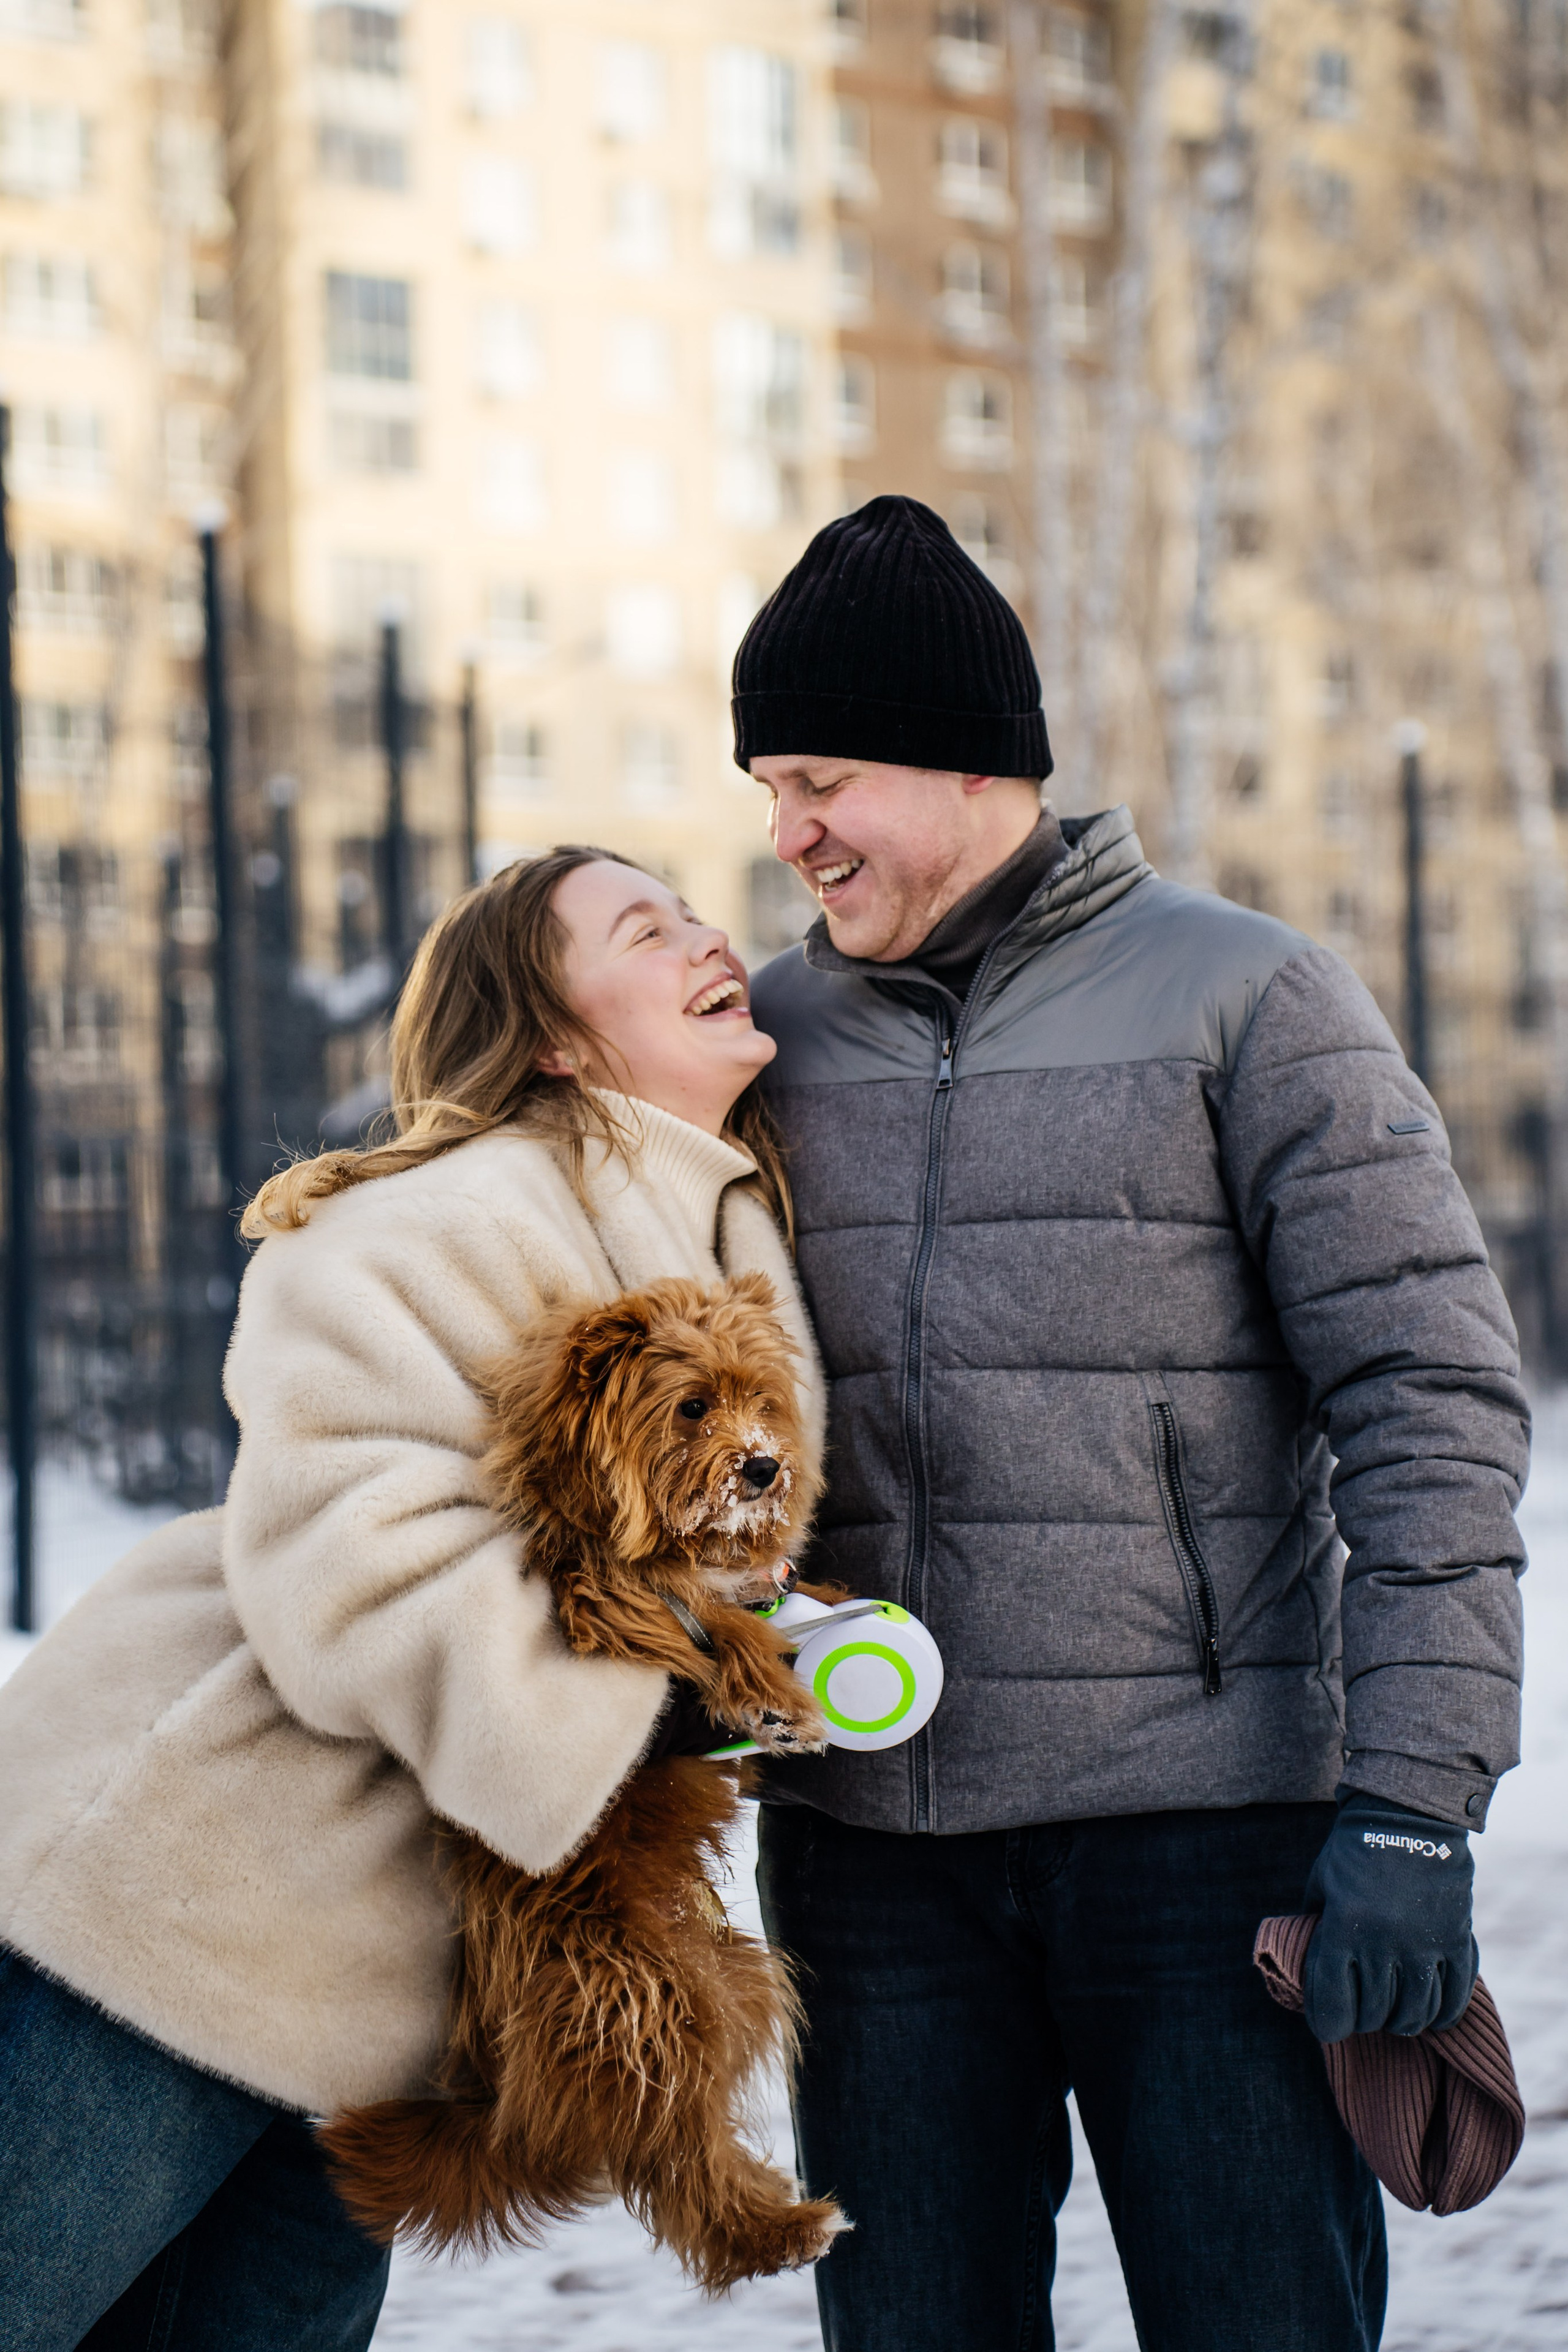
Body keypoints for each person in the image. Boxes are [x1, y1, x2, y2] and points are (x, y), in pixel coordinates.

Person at [739, 496, 1529, 2352]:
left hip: (1207, 1845)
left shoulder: (1249, 998)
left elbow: (1431, 1396)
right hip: (869, 1863)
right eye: (772, 785)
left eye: (822, 776)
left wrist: (1417, 1805)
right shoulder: (759, 1038)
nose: (789, 835)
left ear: (967, 761)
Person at [0, 847, 823, 2352]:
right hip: (184, 1898)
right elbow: (352, 1556)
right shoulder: (441, 1218)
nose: (714, 937)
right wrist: (674, 1690)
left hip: (393, 1997)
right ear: (557, 1036)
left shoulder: (726, 1232)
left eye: (698, 911)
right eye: (650, 930)